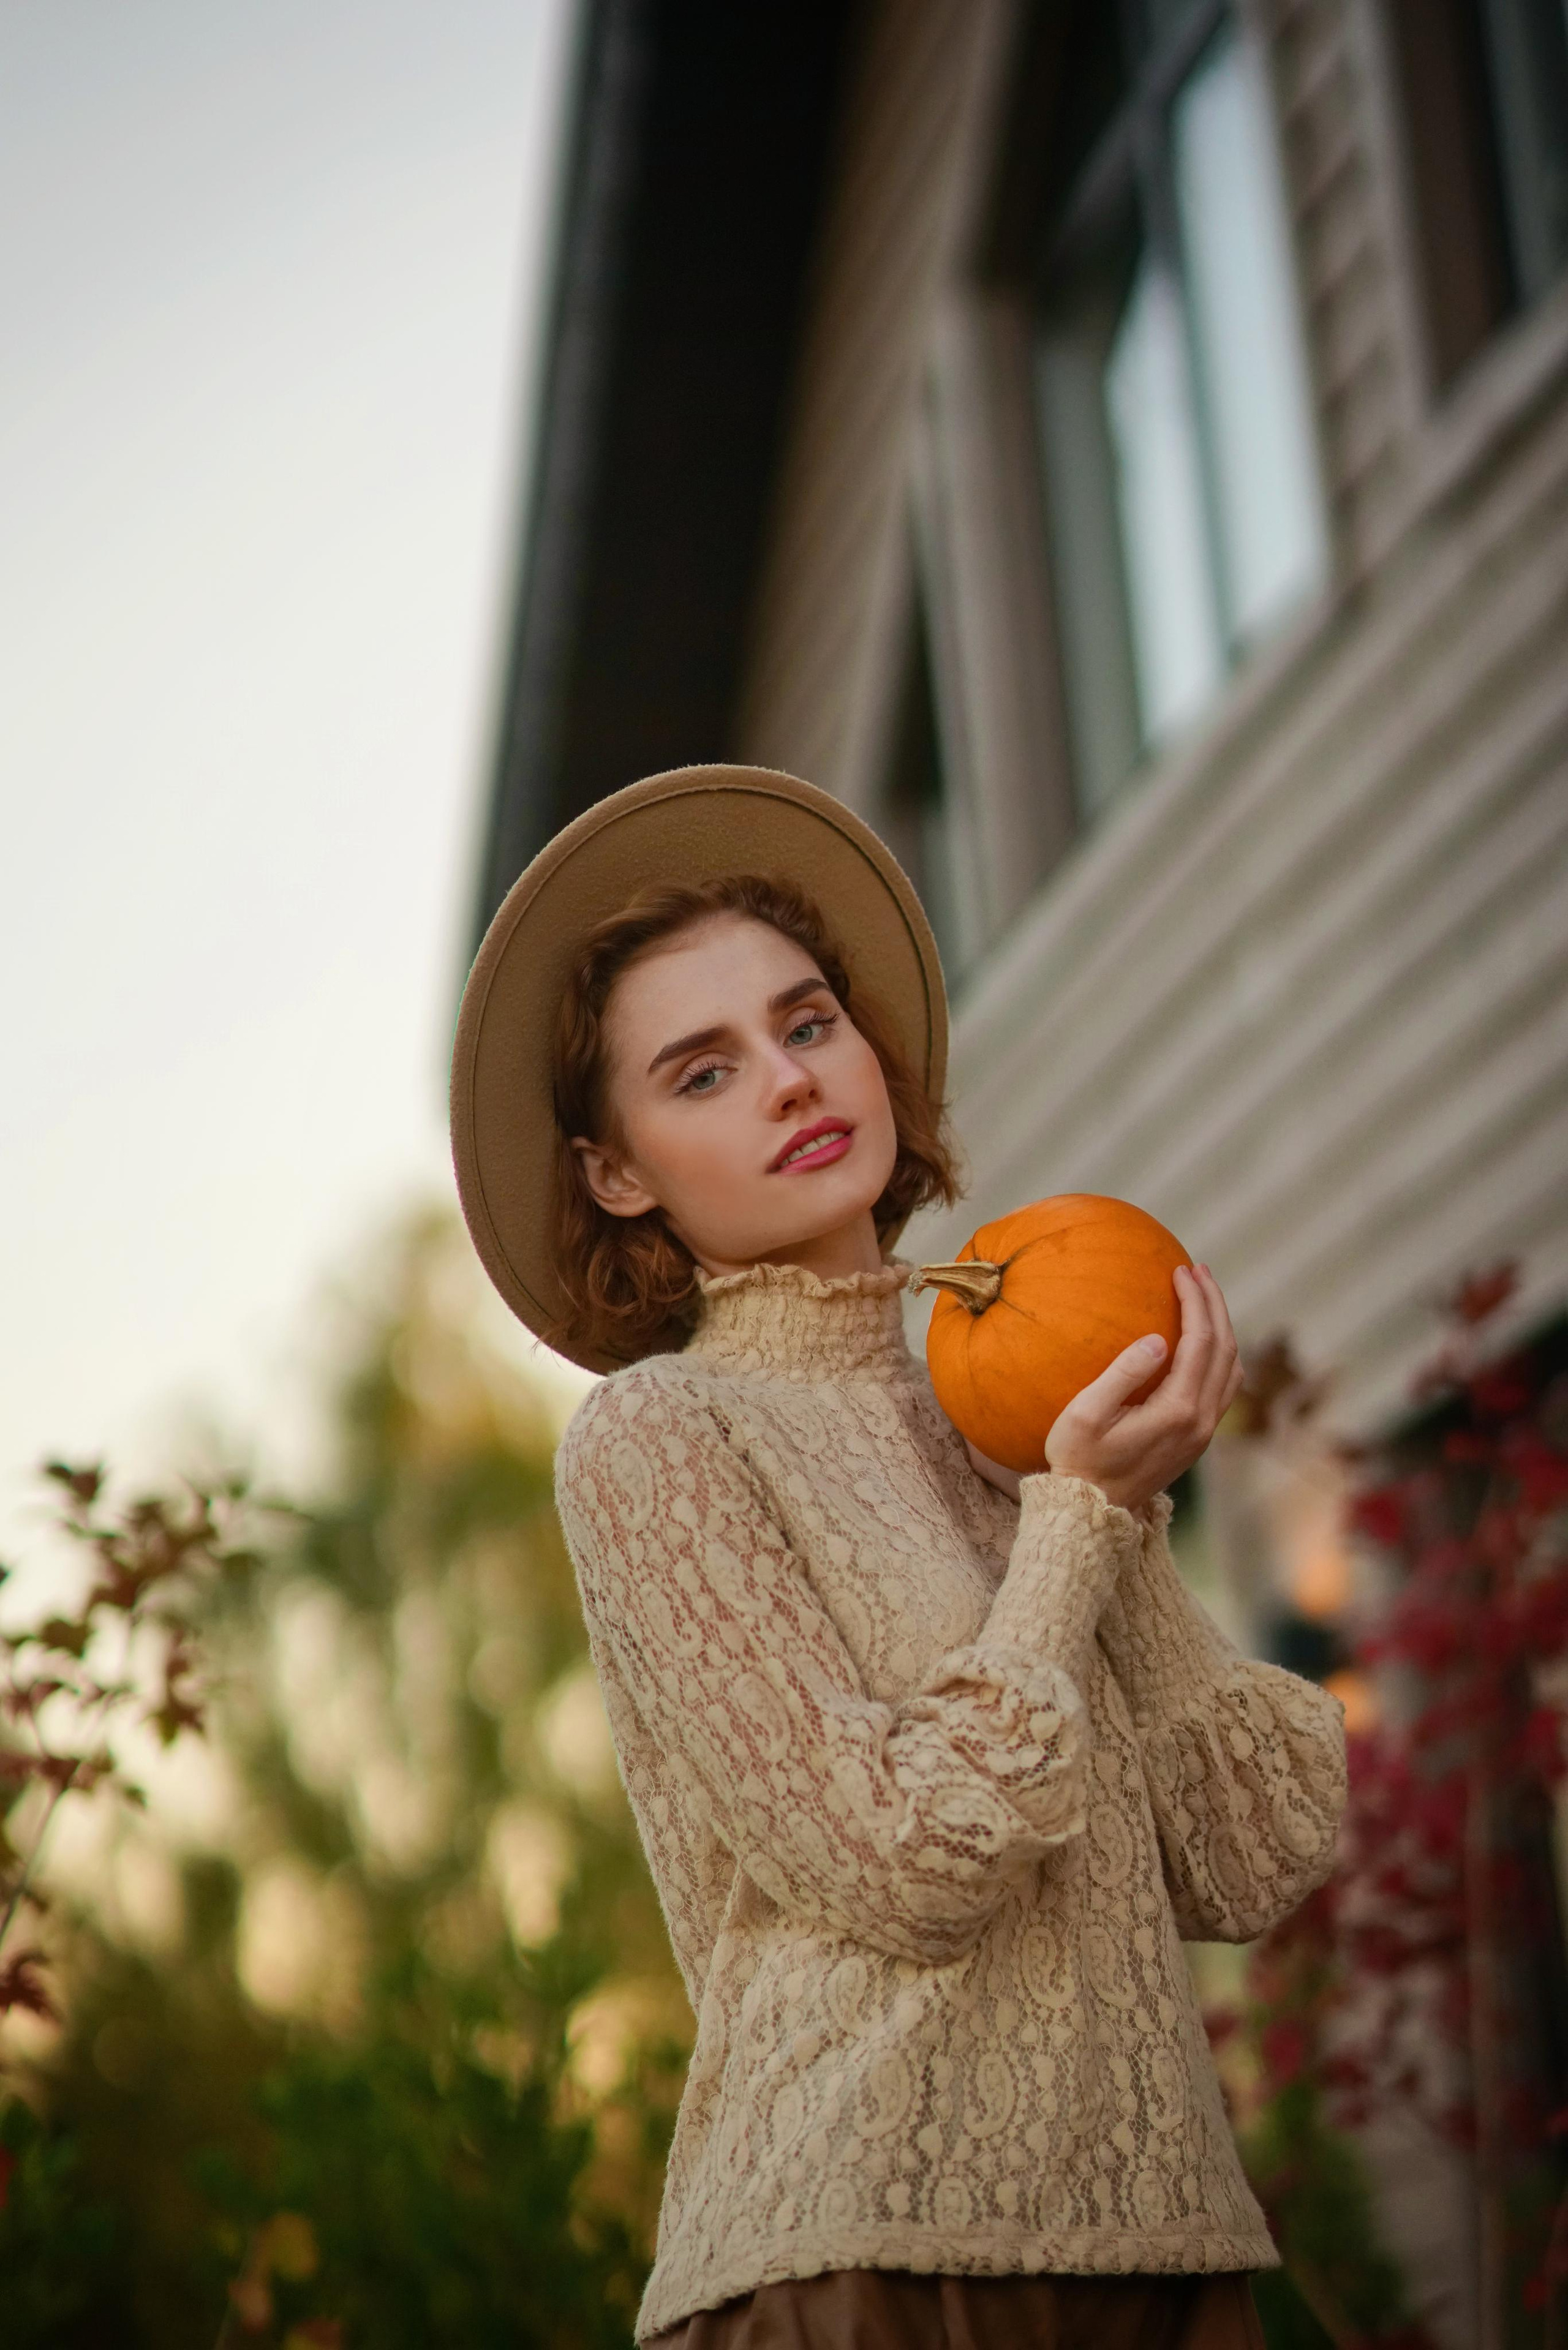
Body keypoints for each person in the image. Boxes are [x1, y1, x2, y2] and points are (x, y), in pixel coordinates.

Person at [451, 764, 1348, 2350]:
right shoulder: (660, 1439)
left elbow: (1248, 1855)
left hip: (1170, 2255)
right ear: (618, 1172)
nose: (790, 1082)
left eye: (808, 1024)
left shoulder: (1022, 1425)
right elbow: (898, 1861)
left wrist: (1112, 1509)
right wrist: (1075, 1527)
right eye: (704, 1072)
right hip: (854, 2260)